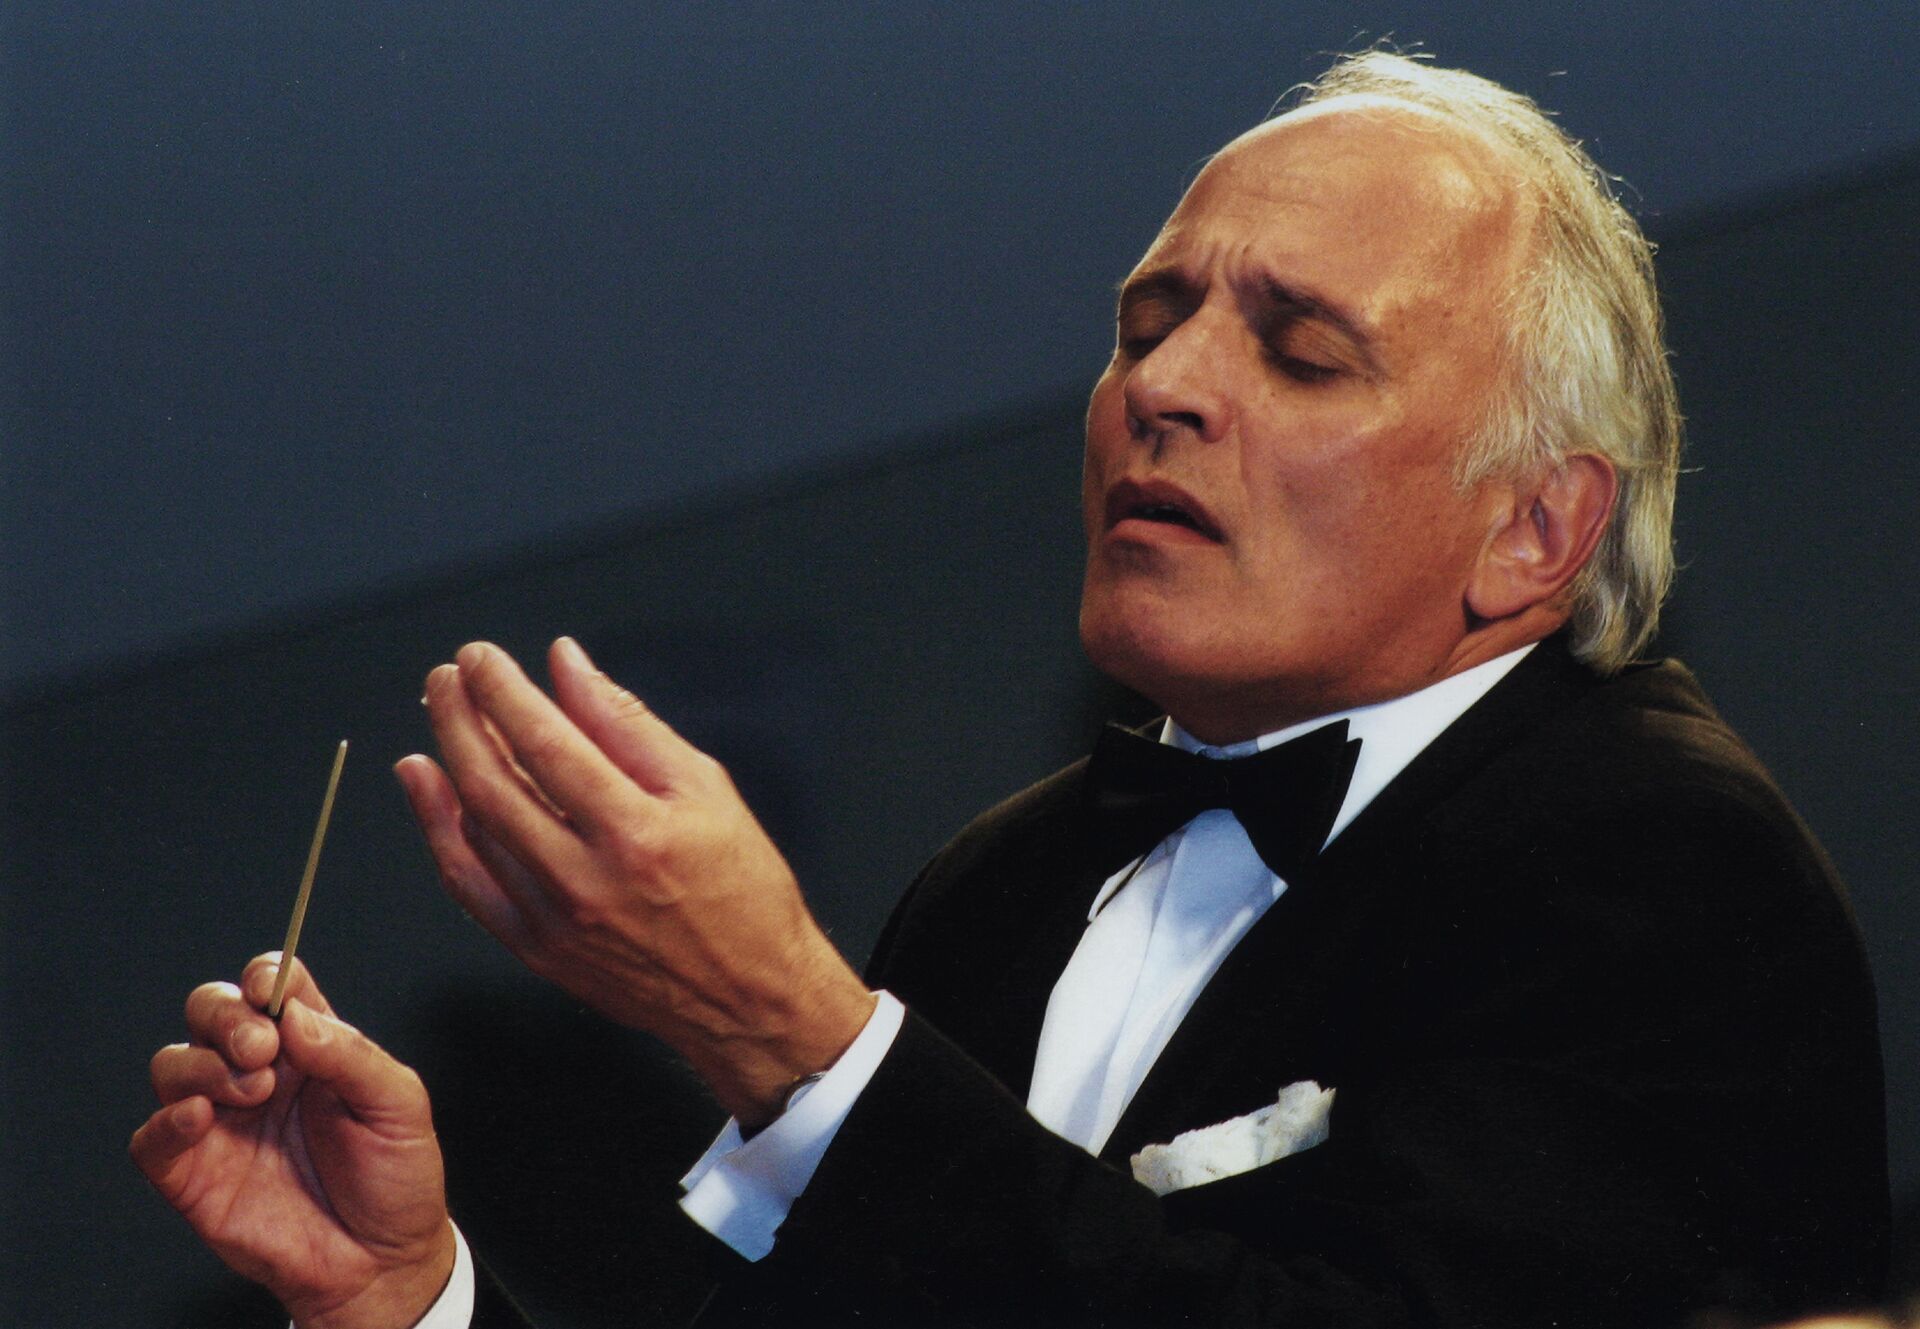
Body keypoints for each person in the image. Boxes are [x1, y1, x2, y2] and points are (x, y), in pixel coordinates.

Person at [132, 51, 1889, 1328]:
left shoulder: (1656, 857)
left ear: (1533, 528)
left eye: (1300, 352)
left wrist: (798, 1042)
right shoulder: (1002, 885)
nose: (1164, 387)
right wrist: (403, 1297)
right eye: (1147, 324)